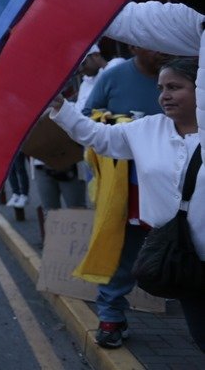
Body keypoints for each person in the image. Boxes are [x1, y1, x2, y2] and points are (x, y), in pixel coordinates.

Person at [49, 57, 205, 352]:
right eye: (161, 88)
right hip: (180, 257)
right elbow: (98, 137)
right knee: (201, 334)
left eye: (175, 87)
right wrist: (60, 107)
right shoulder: (146, 129)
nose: (165, 95)